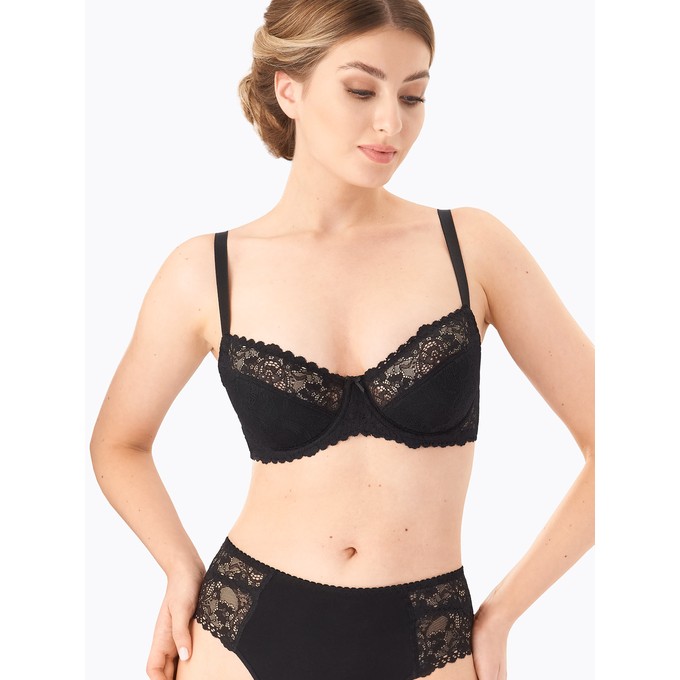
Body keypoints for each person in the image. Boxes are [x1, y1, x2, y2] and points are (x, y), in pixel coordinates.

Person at [90, 1, 594, 679]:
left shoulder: (472, 248)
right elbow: (118, 444)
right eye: (361, 90)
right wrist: (180, 565)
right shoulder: (204, 272)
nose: (391, 122)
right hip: (241, 624)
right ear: (288, 90)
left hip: (430, 635)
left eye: (412, 96)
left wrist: (501, 615)